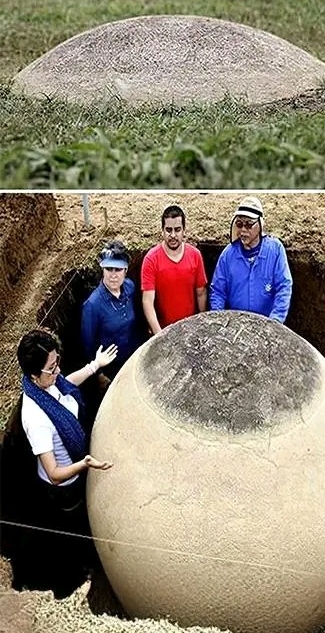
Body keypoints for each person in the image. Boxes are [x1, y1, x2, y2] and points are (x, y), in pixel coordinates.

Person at [18, 328, 117, 505]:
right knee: (76, 507)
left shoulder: (45, 383)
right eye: (51, 368)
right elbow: (54, 475)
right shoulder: (36, 420)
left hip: (77, 462)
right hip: (66, 486)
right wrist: (84, 464)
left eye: (57, 362)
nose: (58, 370)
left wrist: (95, 365)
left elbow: (65, 384)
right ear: (34, 375)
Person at [209, 197, 293, 322]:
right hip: (236, 324)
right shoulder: (228, 254)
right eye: (239, 224)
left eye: (248, 225)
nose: (243, 230)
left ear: (260, 225)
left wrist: (275, 322)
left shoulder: (275, 250)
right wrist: (218, 320)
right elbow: (218, 291)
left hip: (267, 323)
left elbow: (284, 287)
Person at [81, 240, 141, 391]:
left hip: (132, 359)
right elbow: (88, 344)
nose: (113, 275)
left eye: (118, 269)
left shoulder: (130, 287)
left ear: (126, 270)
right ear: (102, 269)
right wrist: (99, 374)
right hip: (110, 369)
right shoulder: (92, 305)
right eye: (109, 269)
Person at [141, 204, 208, 334]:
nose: (173, 235)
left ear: (184, 230)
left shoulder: (195, 255)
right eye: (168, 230)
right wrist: (159, 335)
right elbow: (147, 300)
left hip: (190, 328)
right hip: (163, 329)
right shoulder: (151, 259)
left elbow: (201, 293)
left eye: (177, 230)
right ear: (162, 230)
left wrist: (202, 324)